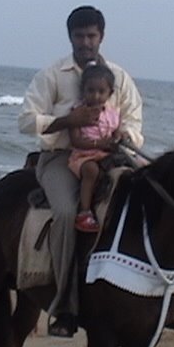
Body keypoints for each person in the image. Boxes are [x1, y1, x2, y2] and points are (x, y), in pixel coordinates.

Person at [17, 6, 143, 338]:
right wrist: (67, 122)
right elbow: (27, 120)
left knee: (152, 194)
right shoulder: (52, 75)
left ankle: (163, 293)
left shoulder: (119, 76)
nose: (85, 42)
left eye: (91, 35)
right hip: (61, 158)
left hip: (111, 155)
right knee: (64, 212)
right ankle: (63, 306)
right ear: (70, 36)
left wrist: (123, 136)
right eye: (79, 36)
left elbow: (133, 120)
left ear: (101, 36)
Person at [68, 62, 122, 233]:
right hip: (84, 156)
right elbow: (76, 141)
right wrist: (99, 144)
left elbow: (116, 131)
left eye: (101, 92)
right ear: (83, 91)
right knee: (91, 171)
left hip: (106, 154)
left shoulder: (112, 114)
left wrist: (120, 137)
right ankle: (84, 213)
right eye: (91, 91)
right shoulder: (77, 112)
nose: (96, 96)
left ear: (110, 93)